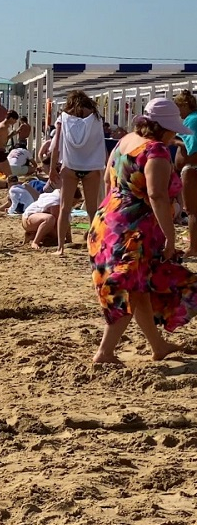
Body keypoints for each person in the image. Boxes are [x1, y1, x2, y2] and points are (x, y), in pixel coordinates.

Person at [89, 98, 197, 364]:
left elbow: (107, 180)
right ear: (163, 127)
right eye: (173, 129)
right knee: (129, 288)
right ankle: (104, 352)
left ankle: (158, 346)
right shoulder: (156, 151)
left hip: (107, 222)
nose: (175, 134)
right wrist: (171, 237)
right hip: (133, 231)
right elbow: (157, 196)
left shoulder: (125, 141)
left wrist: (111, 216)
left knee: (139, 288)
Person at [51, 90, 107, 255]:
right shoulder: (96, 119)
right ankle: (94, 246)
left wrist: (52, 168)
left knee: (64, 208)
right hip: (92, 167)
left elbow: (55, 146)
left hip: (70, 166)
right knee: (92, 209)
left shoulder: (63, 118)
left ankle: (60, 248)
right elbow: (101, 144)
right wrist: (105, 164)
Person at [174, 90, 197, 257]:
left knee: (191, 210)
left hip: (192, 168)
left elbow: (192, 148)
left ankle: (193, 248)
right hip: (190, 168)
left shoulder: (192, 120)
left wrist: (173, 140)